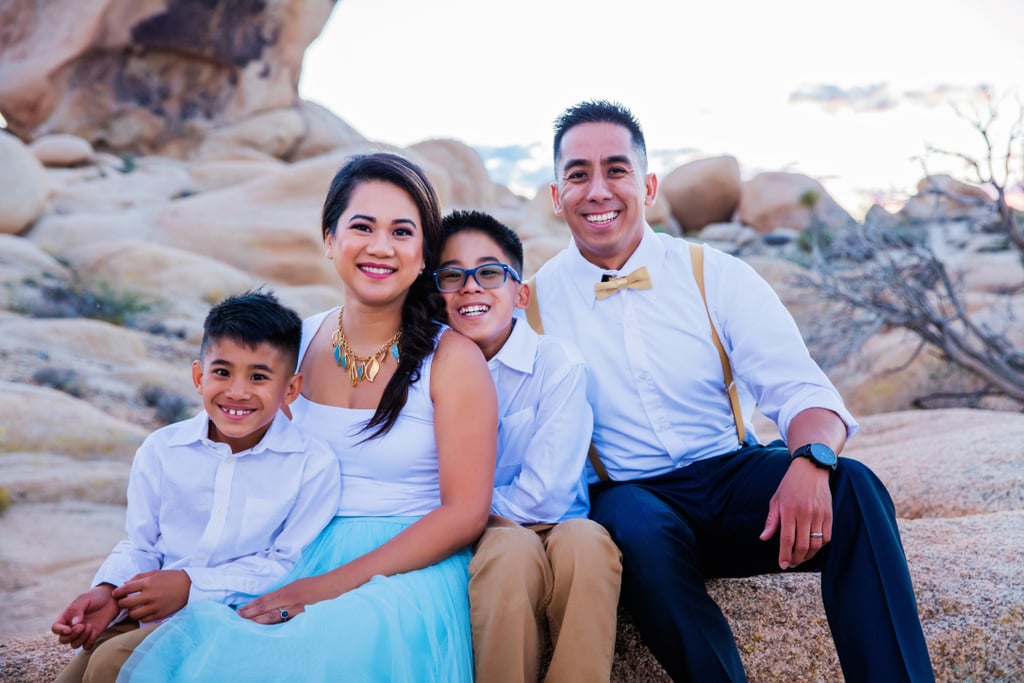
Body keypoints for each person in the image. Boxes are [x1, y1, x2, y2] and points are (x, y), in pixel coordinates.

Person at [526, 100, 935, 682]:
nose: (598, 190)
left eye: (616, 170)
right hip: (633, 497)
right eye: (578, 174)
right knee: (634, 524)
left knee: (857, 490)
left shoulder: (713, 273)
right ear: (555, 193)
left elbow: (800, 389)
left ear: (647, 185)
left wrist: (811, 461)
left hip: (730, 478)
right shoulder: (534, 307)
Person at [118, 152, 497, 682]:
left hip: (405, 569)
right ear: (329, 238)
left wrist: (318, 589)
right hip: (287, 549)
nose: (381, 246)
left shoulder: (452, 360)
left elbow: (464, 514)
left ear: (422, 255)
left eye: (402, 232)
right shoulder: (297, 344)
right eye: (361, 226)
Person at [51, 290, 341, 683]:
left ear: (290, 389)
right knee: (77, 673)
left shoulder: (311, 464)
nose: (237, 391)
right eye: (222, 372)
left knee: (110, 666)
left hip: (231, 616)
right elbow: (142, 544)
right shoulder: (162, 449)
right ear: (198, 377)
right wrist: (108, 589)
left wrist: (191, 587)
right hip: (148, 611)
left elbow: (287, 564)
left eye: (258, 377)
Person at [434, 209, 622, 683]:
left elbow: (548, 493)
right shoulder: (427, 370)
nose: (471, 286)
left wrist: (466, 506)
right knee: (510, 553)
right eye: (452, 276)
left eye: (490, 272)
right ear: (435, 297)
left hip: (554, 519)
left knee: (590, 544)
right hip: (481, 532)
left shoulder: (556, 364)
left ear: (521, 294)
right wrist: (464, 516)